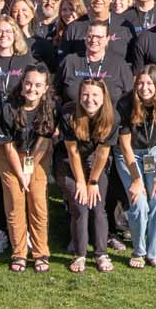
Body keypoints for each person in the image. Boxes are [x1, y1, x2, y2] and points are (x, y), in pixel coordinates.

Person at [0, 66, 55, 272]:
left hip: (36, 155)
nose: (32, 89)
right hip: (9, 152)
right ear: (22, 85)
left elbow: (44, 142)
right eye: (28, 83)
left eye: (38, 85)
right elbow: (7, 145)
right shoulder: (9, 107)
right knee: (15, 199)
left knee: (37, 200)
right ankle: (19, 253)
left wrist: (29, 171)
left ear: (45, 88)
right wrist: (20, 175)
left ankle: (41, 252)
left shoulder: (49, 107)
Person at [116, 65, 156, 268]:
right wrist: (136, 179)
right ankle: (139, 250)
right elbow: (124, 145)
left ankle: (153, 251)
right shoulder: (126, 103)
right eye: (141, 83)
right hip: (130, 155)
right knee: (139, 201)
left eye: (149, 83)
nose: (144, 87)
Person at [61, 77, 116, 273]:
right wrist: (80, 182)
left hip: (96, 161)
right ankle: (80, 254)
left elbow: (103, 153)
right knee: (80, 206)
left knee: (97, 205)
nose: (89, 99)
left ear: (103, 97)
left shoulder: (112, 117)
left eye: (94, 95)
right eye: (85, 94)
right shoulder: (69, 113)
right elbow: (72, 151)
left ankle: (101, 253)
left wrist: (92, 181)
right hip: (69, 161)